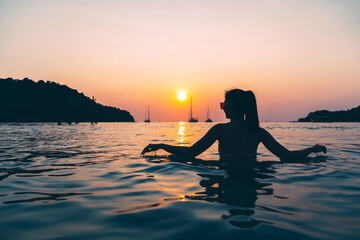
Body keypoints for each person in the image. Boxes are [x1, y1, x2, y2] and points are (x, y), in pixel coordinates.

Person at [141, 89, 326, 163]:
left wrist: (162, 146)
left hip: (226, 174)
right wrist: (312, 148)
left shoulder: (219, 130)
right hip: (253, 176)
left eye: (223, 105)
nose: (222, 109)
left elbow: (192, 152)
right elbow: (287, 156)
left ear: (232, 107)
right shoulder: (258, 132)